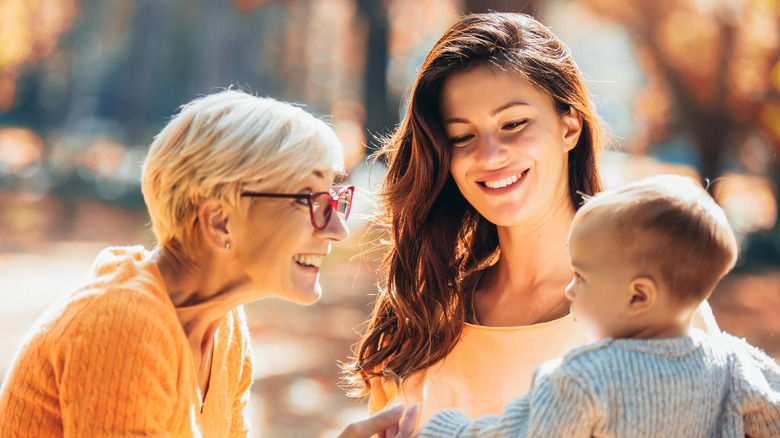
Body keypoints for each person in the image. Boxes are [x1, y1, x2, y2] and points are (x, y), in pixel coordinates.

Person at [344, 12, 719, 427]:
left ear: (569, 125)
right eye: (462, 137)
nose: (488, 155)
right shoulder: (420, 320)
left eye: (514, 123)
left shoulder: (651, 306)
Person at [0, 89, 403, 437]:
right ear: (219, 220)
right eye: (311, 201)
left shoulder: (223, 327)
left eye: (334, 200)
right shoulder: (123, 325)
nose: (338, 229)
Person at [417, 174, 780, 437]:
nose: (571, 289)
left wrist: (440, 429)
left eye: (583, 277)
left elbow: (511, 433)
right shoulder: (733, 362)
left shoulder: (584, 377)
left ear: (638, 296)